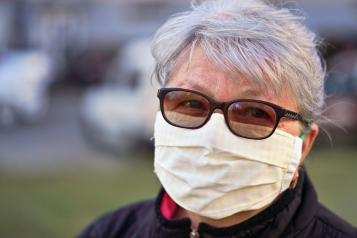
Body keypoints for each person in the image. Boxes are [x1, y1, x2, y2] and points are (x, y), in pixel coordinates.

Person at [77, 0, 357, 237]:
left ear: (304, 144)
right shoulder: (109, 231)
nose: (214, 134)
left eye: (255, 112)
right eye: (190, 102)